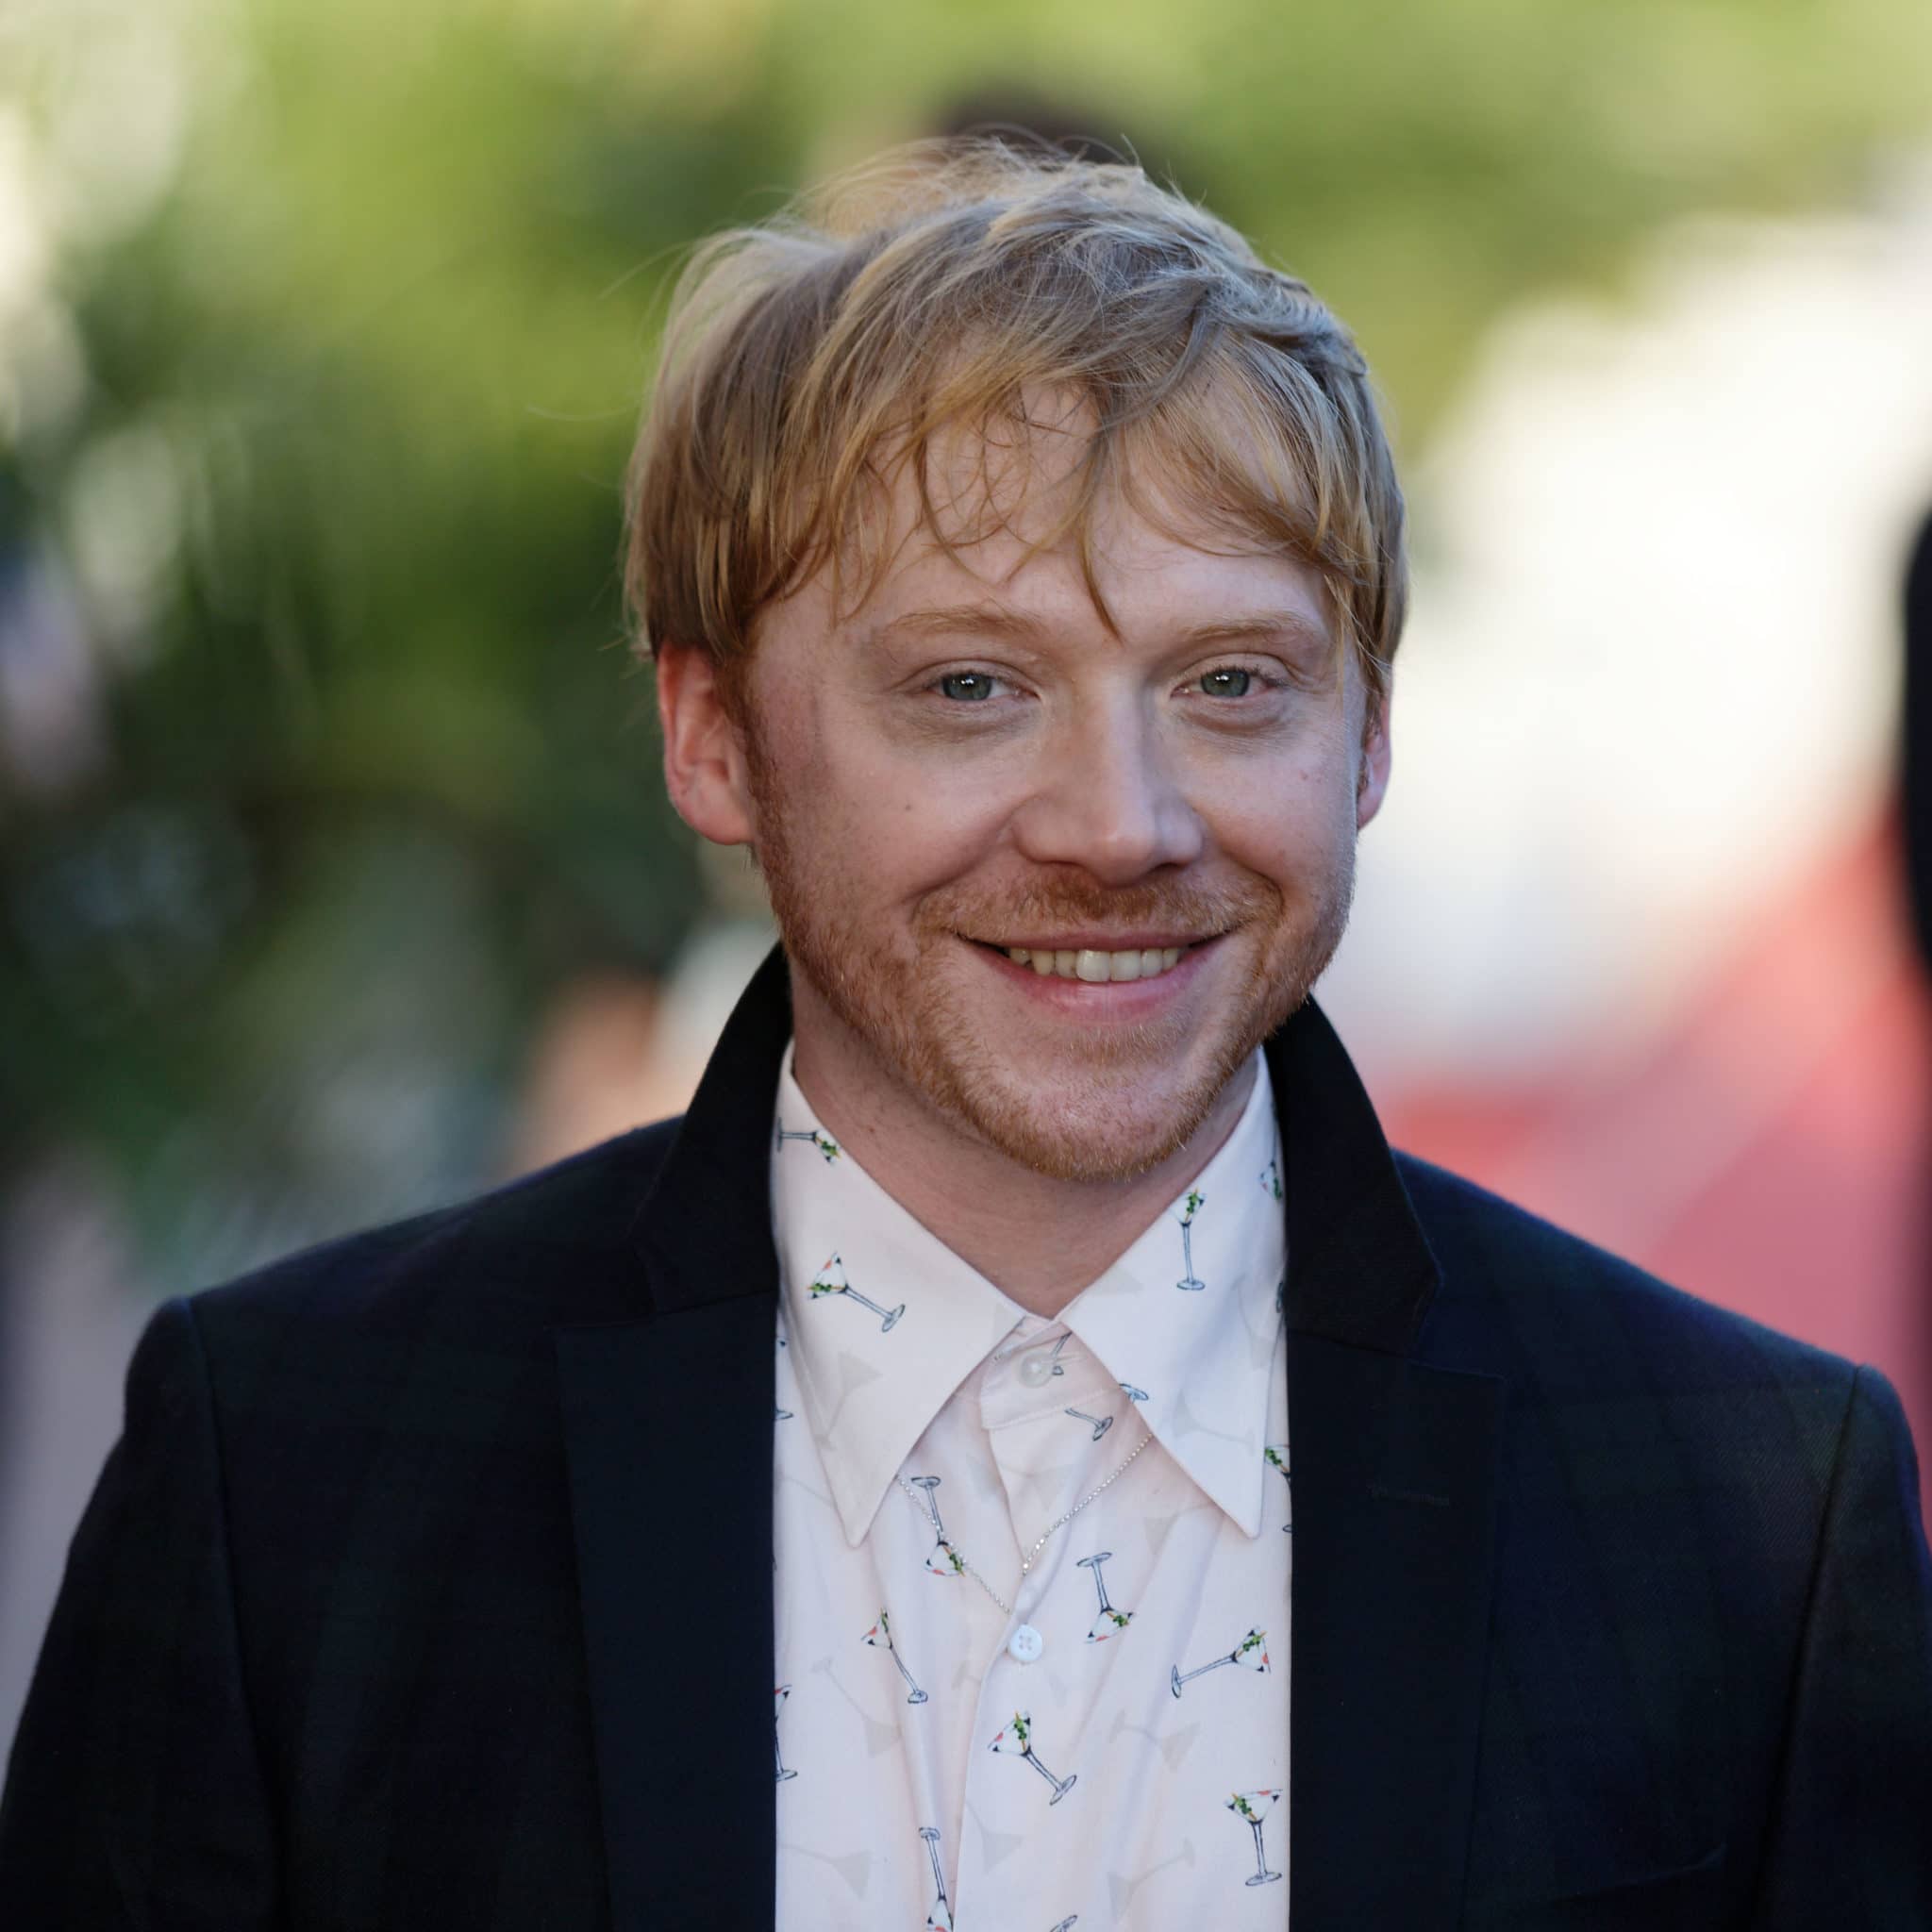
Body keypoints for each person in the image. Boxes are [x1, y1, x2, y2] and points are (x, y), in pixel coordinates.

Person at [3, 141, 1929, 1932]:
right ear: (712, 737)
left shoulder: (1744, 1500)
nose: (1120, 820)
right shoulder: (294, 1477)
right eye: (972, 684)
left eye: (1231, 680)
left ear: (1370, 730)